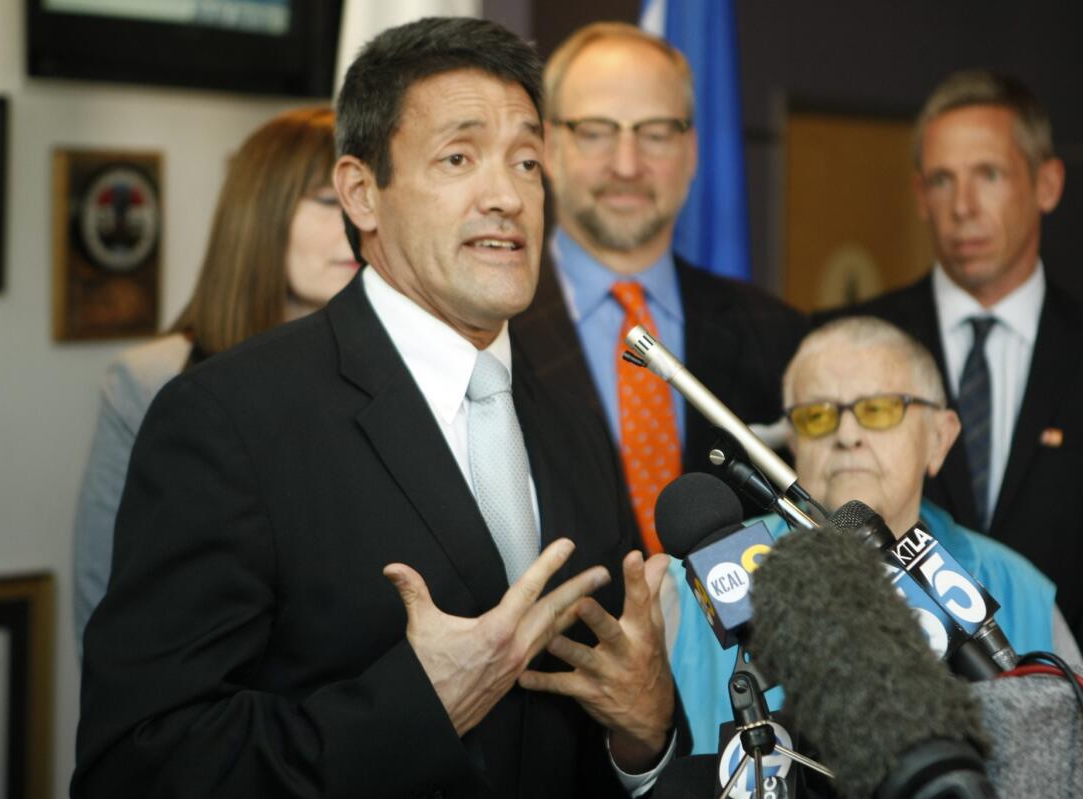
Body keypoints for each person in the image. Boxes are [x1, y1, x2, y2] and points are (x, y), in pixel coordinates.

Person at [73, 17, 678, 798]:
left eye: (527, 162)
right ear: (362, 192)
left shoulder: (568, 406)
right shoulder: (229, 419)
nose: (506, 196)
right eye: (459, 158)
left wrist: (644, 735)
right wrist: (420, 705)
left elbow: (587, 733)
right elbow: (139, 763)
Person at [830, 70, 1083, 658]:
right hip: (891, 711)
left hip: (1072, 708)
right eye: (942, 180)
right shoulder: (850, 346)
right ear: (920, 196)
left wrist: (1058, 714)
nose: (963, 207)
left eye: (988, 175)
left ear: (1047, 183)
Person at [667, 316, 1074, 755]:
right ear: (793, 442)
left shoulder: (1025, 591)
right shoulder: (690, 584)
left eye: (879, 409)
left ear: (940, 439)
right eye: (818, 416)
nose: (846, 436)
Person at [512, 22, 808, 553]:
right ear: (549, 147)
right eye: (596, 130)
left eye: (655, 133)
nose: (627, 165)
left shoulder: (778, 336)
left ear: (691, 151)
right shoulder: (490, 330)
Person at [71, 105, 356, 648]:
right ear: (260, 212)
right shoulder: (151, 381)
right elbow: (104, 608)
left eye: (366, 198)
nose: (356, 222)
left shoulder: (391, 375)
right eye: (327, 200)